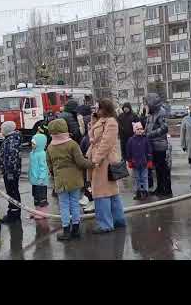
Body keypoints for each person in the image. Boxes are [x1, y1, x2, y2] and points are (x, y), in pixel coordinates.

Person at [46, 119, 94, 241]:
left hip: (60, 180)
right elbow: (80, 161)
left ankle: (66, 230)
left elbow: (49, 164)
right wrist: (92, 164)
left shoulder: (50, 147)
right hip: (75, 179)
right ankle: (76, 229)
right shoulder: (72, 144)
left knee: (64, 205)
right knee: (74, 204)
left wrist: (54, 172)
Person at [86, 99, 127, 234]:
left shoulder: (111, 122)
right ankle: (118, 220)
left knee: (102, 193)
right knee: (111, 192)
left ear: (105, 108)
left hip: (104, 162)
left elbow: (106, 143)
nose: (96, 109)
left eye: (98, 107)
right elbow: (93, 137)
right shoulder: (101, 120)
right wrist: (94, 120)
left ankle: (105, 224)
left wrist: (96, 159)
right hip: (102, 161)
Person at [145, 93, 171, 196]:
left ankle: (166, 189)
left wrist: (150, 134)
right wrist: (144, 132)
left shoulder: (161, 112)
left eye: (147, 102)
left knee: (162, 168)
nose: (145, 105)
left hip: (160, 145)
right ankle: (160, 188)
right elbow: (149, 126)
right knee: (158, 169)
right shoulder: (152, 113)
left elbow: (164, 128)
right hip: (153, 145)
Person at [0, 121, 22, 224]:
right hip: (9, 172)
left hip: (10, 173)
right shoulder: (10, 139)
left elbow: (11, 158)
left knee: (12, 193)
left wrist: (9, 172)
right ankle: (13, 212)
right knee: (12, 192)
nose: (0, 131)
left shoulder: (10, 141)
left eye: (1, 129)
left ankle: (14, 215)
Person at [126, 122, 153, 200]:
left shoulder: (145, 139)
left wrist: (150, 160)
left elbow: (149, 150)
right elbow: (128, 151)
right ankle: (138, 192)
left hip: (144, 162)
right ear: (134, 130)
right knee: (136, 178)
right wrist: (129, 160)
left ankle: (145, 191)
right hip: (135, 163)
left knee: (144, 177)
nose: (140, 130)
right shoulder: (131, 140)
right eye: (138, 129)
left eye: (141, 129)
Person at [28, 133, 50, 220]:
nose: (32, 145)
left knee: (42, 197)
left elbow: (43, 168)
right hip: (34, 180)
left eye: (34, 143)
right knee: (36, 196)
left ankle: (43, 213)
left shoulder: (42, 154)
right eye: (32, 143)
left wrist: (41, 178)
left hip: (41, 181)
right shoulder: (32, 153)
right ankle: (37, 211)